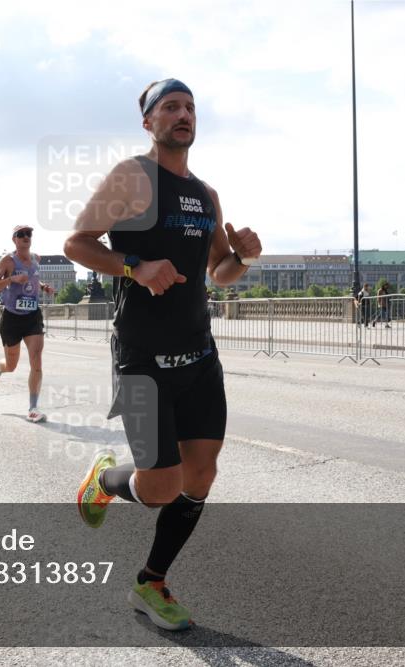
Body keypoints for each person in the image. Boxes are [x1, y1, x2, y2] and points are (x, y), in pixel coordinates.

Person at [63, 78, 262, 631]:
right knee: (160, 488)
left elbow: (218, 273)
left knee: (201, 475)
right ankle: (104, 481)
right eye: (170, 107)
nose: (183, 115)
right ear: (148, 121)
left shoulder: (207, 194)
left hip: (198, 355)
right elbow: (78, 244)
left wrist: (241, 259)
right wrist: (136, 267)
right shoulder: (131, 177)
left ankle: (151, 582)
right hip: (142, 357)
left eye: (190, 108)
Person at [0, 225, 55, 423]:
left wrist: (43, 287)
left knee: (36, 360)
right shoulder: (7, 261)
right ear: (14, 239)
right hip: (12, 318)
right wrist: (11, 278)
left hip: (32, 315)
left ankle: (33, 408)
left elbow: (33, 280)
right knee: (11, 365)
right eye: (21, 234)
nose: (26, 237)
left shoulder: (36, 259)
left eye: (29, 234)